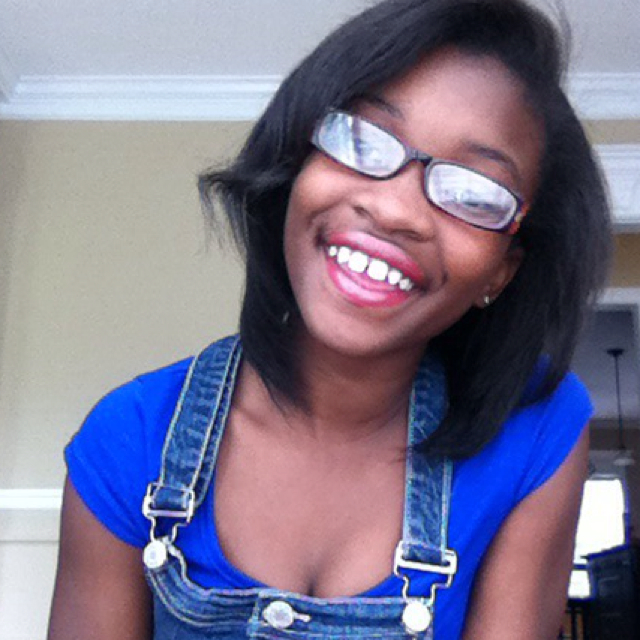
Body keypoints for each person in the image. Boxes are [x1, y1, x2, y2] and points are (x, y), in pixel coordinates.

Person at [47, 0, 612, 638]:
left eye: (474, 192)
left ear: (501, 271)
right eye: (363, 141)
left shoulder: (536, 430)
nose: (396, 210)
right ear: (296, 162)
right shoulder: (129, 439)